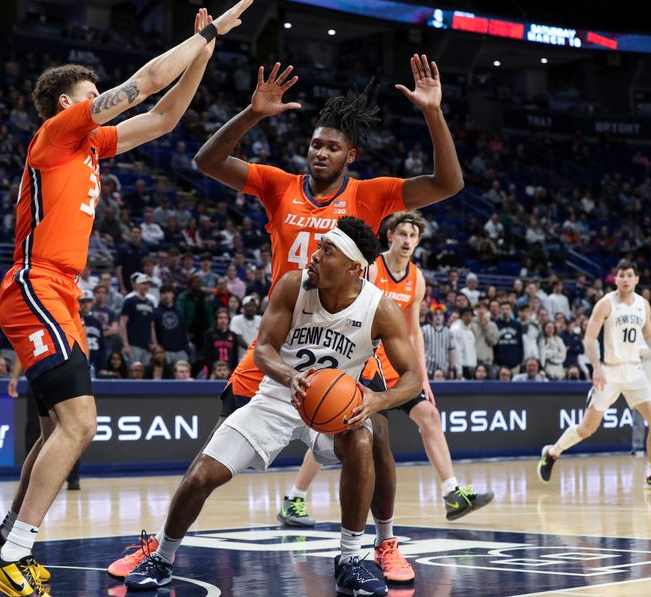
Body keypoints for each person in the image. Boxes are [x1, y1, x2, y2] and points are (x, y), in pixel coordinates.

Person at [109, 52, 464, 577]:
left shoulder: (371, 194)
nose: (320, 152)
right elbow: (207, 162)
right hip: (280, 342)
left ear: (351, 155)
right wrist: (252, 114)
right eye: (315, 143)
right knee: (211, 460)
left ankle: (381, 544)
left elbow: (448, 183)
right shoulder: (279, 185)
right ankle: (160, 545)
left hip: (341, 345)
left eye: (332, 147)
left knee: (377, 436)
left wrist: (434, 112)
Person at [0, 4, 255, 594]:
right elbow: (144, 85)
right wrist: (204, 31)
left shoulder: (92, 149)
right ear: (67, 105)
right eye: (92, 94)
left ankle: (5, 534)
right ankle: (13, 556)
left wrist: (204, 53)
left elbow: (164, 116)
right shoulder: (55, 136)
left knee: (60, 426)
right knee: (81, 425)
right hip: (35, 285)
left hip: (62, 294)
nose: (103, 98)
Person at [124, 217, 420, 595]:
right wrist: (289, 376)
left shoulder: (380, 309)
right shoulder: (293, 286)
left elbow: (411, 376)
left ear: (352, 267)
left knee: (365, 440)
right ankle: (162, 557)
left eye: (326, 252)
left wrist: (379, 399)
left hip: (335, 404)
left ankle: (350, 559)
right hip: (278, 397)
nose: (313, 257)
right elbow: (263, 348)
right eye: (318, 247)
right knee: (201, 475)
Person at [279, 212, 492, 585]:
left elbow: (413, 332)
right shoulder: (371, 270)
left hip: (399, 369)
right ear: (390, 236)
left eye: (414, 235)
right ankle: (297, 496)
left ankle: (451, 493)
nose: (408, 240)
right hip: (362, 365)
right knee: (340, 423)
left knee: (429, 417)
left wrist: (422, 379)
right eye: (403, 233)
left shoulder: (417, 279)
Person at [539, 260, 651, 488]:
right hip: (610, 372)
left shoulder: (643, 304)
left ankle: (650, 472)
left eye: (630, 275)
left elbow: (649, 336)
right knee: (587, 429)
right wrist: (597, 368)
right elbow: (589, 339)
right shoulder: (605, 303)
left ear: (637, 279)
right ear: (615, 278)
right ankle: (552, 452)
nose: (626, 279)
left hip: (635, 371)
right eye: (621, 275)